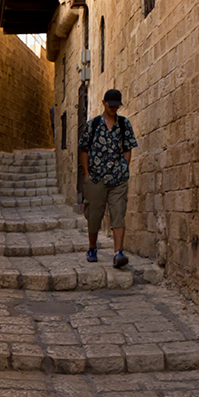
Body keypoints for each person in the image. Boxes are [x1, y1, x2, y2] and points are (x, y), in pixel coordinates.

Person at [78, 89, 138, 268]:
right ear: (104, 103)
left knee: (118, 213)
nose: (114, 108)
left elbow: (128, 147)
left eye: (116, 105)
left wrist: (124, 168)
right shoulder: (93, 125)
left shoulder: (124, 124)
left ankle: (118, 253)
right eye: (111, 105)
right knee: (94, 214)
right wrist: (87, 174)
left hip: (118, 179)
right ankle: (92, 247)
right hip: (96, 178)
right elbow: (84, 149)